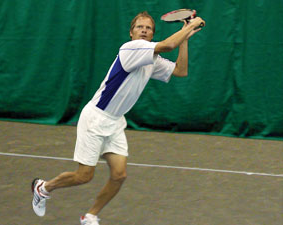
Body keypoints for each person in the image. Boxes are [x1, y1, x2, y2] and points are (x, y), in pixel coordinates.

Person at [31, 11, 205, 225]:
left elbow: (180, 70)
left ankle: (90, 215)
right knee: (84, 176)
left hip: (115, 122)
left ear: (152, 34)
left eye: (148, 28)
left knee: (119, 175)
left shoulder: (153, 60)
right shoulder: (130, 48)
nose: (144, 30)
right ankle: (44, 188)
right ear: (131, 33)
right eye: (140, 27)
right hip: (95, 118)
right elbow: (168, 45)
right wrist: (191, 25)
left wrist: (184, 38)